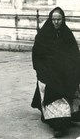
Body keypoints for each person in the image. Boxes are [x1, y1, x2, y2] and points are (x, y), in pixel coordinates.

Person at [31, 7, 80, 138]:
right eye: (54, 19)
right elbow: (37, 55)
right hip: (48, 71)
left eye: (59, 19)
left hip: (64, 71)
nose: (56, 22)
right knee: (52, 90)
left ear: (63, 20)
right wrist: (41, 68)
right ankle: (58, 125)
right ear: (50, 20)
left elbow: (74, 53)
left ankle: (66, 117)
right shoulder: (43, 35)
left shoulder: (67, 34)